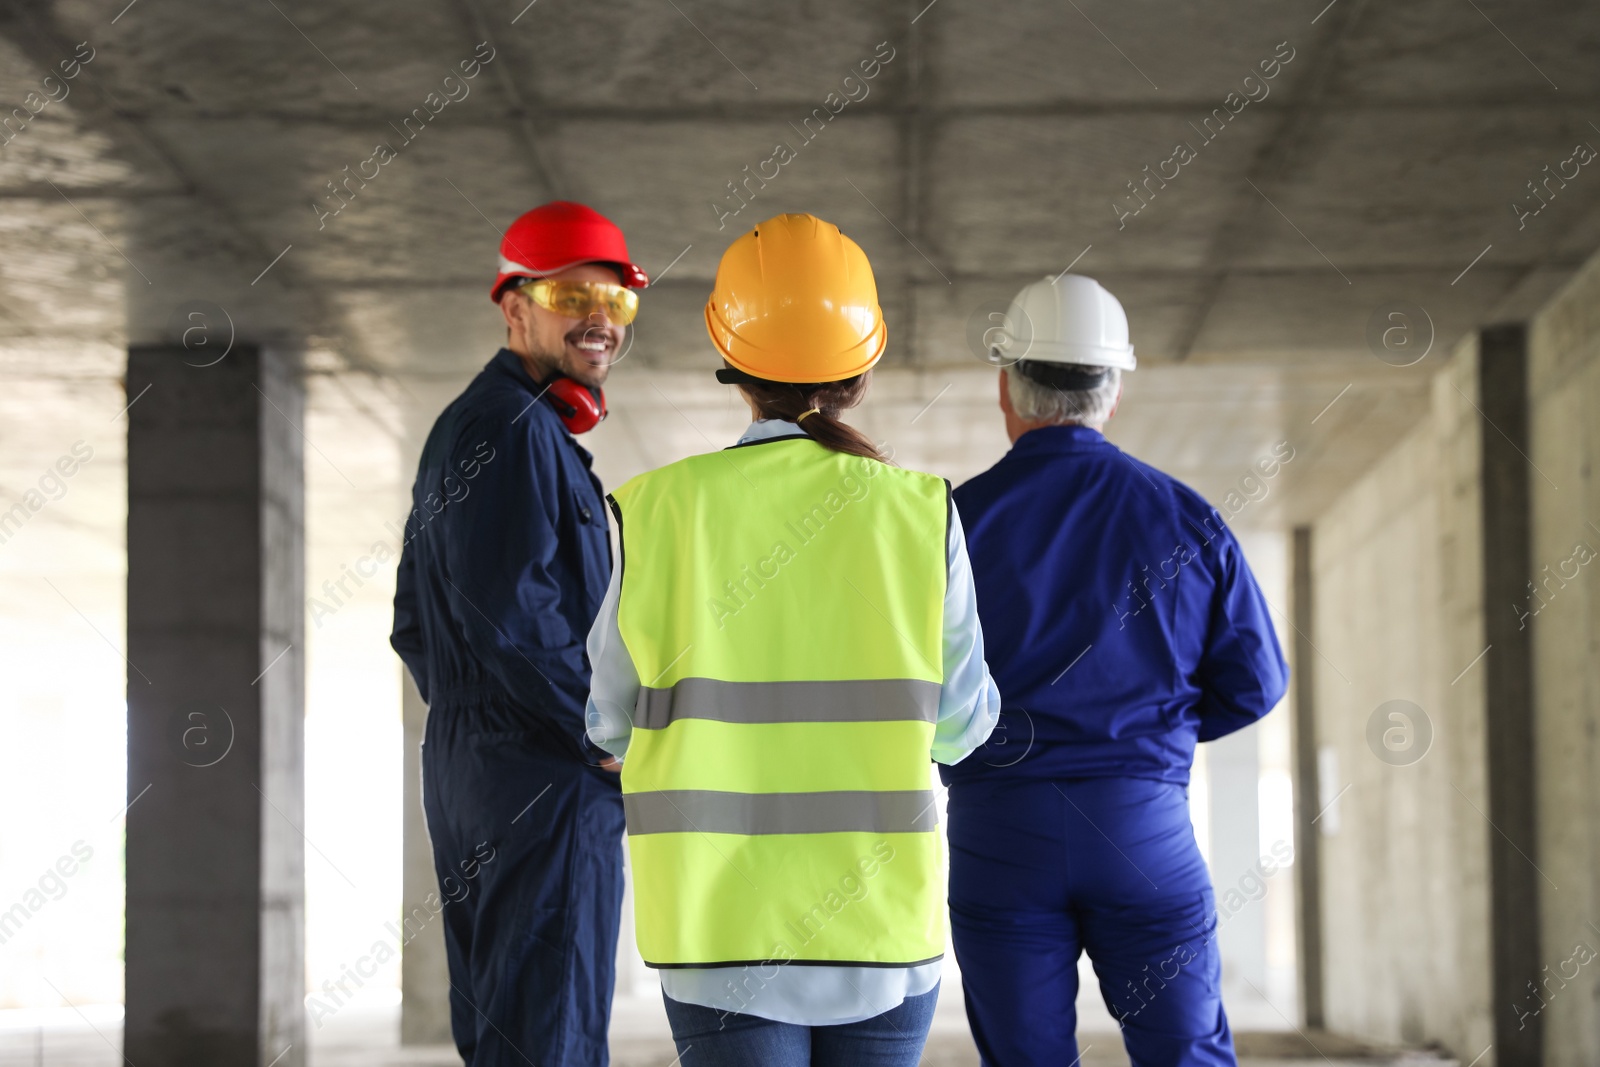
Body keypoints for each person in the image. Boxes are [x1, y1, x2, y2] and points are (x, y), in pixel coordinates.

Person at [583, 212, 1000, 1067]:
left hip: (716, 932)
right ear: (863, 367)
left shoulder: (655, 512)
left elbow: (606, 722)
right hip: (879, 927)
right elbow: (964, 725)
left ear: (730, 362)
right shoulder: (920, 513)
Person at [946, 274, 1290, 1066]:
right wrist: (1152, 737)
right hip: (1144, 828)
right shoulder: (1186, 515)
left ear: (1008, 386)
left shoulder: (953, 524)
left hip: (1000, 833)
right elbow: (1256, 681)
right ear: (1114, 389)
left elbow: (904, 682)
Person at [389, 201, 648, 1066]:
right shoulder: (514, 428)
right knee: (551, 1034)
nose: (600, 320)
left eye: (617, 303)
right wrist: (602, 733)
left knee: (511, 1028)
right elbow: (515, 618)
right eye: (575, 295)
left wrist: (478, 719)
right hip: (542, 775)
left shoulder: (484, 425)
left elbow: (416, 623)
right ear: (515, 307)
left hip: (482, 766)